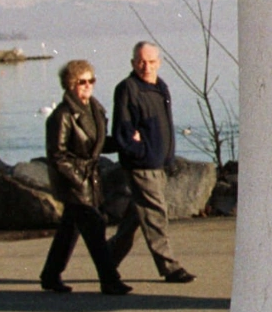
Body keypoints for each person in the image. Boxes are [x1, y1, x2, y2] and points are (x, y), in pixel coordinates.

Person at [40, 59, 131, 295]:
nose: (88, 85)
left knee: (70, 229)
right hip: (75, 181)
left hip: (91, 177)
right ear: (70, 84)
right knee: (94, 227)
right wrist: (78, 180)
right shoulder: (61, 116)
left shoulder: (95, 109)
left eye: (91, 80)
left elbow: (97, 145)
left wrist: (125, 143)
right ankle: (109, 279)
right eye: (82, 82)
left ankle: (50, 274)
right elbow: (57, 156)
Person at [107, 41, 196, 283]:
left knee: (136, 218)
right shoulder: (127, 89)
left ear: (159, 62)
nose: (146, 66)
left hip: (159, 163)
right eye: (140, 61)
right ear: (133, 63)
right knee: (155, 214)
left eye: (151, 61)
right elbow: (122, 132)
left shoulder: (161, 87)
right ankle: (170, 267)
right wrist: (139, 150)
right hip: (141, 166)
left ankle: (105, 260)